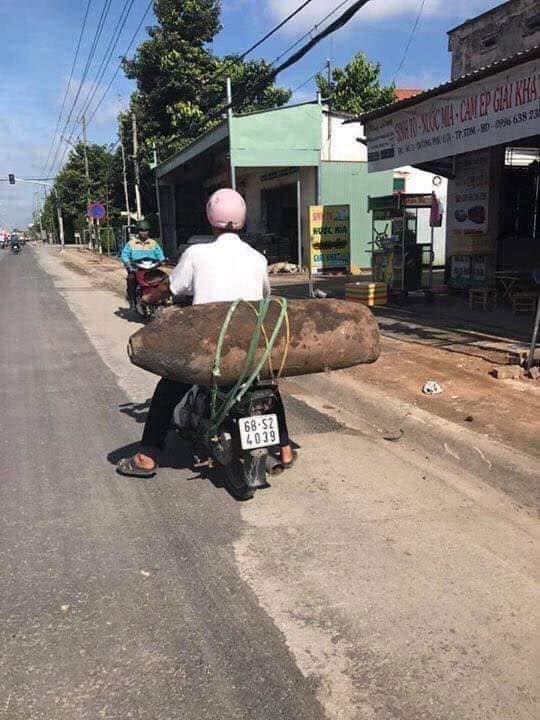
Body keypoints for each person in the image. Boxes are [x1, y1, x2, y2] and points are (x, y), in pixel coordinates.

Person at [117, 188, 295, 478]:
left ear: (211, 218)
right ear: (242, 220)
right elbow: (263, 297)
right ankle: (285, 449)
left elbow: (171, 288)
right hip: (249, 350)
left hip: (209, 353)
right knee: (266, 388)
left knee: (166, 391)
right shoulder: (257, 259)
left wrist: (149, 298)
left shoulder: (196, 254)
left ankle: (147, 456)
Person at [121, 219, 165, 310]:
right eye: (141, 230)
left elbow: (160, 254)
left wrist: (162, 260)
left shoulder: (153, 243)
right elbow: (124, 255)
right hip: (136, 267)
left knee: (164, 278)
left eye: (146, 230)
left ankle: (163, 299)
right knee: (131, 279)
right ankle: (132, 301)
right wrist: (128, 264)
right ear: (138, 231)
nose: (144, 233)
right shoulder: (131, 243)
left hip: (151, 266)